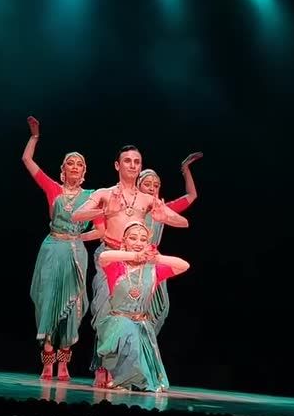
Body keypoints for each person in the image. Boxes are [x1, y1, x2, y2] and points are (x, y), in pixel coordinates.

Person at [71, 145, 190, 387]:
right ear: (117, 165)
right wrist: (104, 209)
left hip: (138, 261)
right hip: (111, 256)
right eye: (127, 160)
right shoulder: (105, 194)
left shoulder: (147, 199)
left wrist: (164, 216)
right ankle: (103, 366)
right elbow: (77, 215)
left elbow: (183, 222)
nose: (133, 165)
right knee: (104, 312)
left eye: (137, 161)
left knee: (132, 316)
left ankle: (125, 371)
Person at [22, 116, 102, 381]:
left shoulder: (92, 196)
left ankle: (64, 361)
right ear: (63, 170)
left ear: (84, 172)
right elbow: (27, 161)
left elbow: (101, 231)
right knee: (47, 300)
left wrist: (78, 237)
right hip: (51, 249)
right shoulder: (53, 189)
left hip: (75, 253)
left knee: (74, 305)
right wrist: (34, 138)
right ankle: (47, 359)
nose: (75, 167)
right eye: (71, 163)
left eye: (80, 164)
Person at [94, 222, 190, 392]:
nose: (138, 242)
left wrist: (156, 258)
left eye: (143, 239)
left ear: (148, 244)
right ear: (124, 241)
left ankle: (131, 379)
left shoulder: (153, 270)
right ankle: (123, 378)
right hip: (118, 326)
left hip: (141, 326)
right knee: (126, 327)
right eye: (133, 238)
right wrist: (135, 256)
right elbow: (103, 256)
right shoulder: (116, 266)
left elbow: (184, 265)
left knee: (149, 379)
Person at [137, 153, 202, 334]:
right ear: (138, 185)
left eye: (156, 185)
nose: (152, 188)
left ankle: (147, 345)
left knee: (158, 309)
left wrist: (185, 169)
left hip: (153, 260)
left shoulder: (163, 209)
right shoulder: (130, 207)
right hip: (132, 259)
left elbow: (192, 196)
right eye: (147, 184)